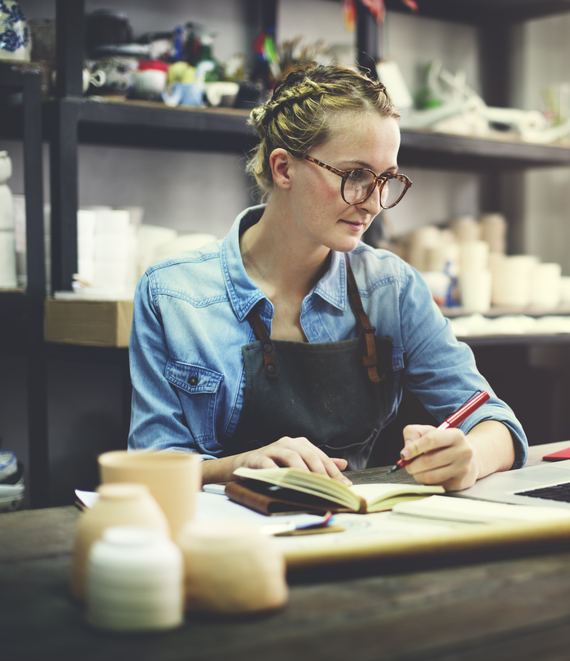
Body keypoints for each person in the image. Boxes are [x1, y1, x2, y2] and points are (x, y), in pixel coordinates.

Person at [128, 63, 527, 490]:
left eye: (386, 179)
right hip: (225, 545)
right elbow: (149, 466)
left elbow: (497, 424)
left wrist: (469, 458)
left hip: (352, 530)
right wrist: (241, 465)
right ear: (283, 169)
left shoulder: (391, 288)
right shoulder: (172, 294)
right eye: (355, 175)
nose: (373, 203)